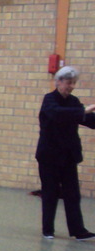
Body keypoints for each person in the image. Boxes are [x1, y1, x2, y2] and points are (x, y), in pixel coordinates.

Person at [35, 66, 95, 241]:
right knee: (50, 192)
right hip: (49, 156)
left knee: (72, 194)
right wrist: (83, 111)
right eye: (69, 83)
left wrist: (86, 114)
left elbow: (86, 119)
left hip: (68, 156)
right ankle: (48, 230)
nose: (72, 86)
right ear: (59, 82)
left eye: (74, 83)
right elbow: (58, 114)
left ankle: (78, 230)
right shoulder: (49, 100)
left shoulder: (73, 101)